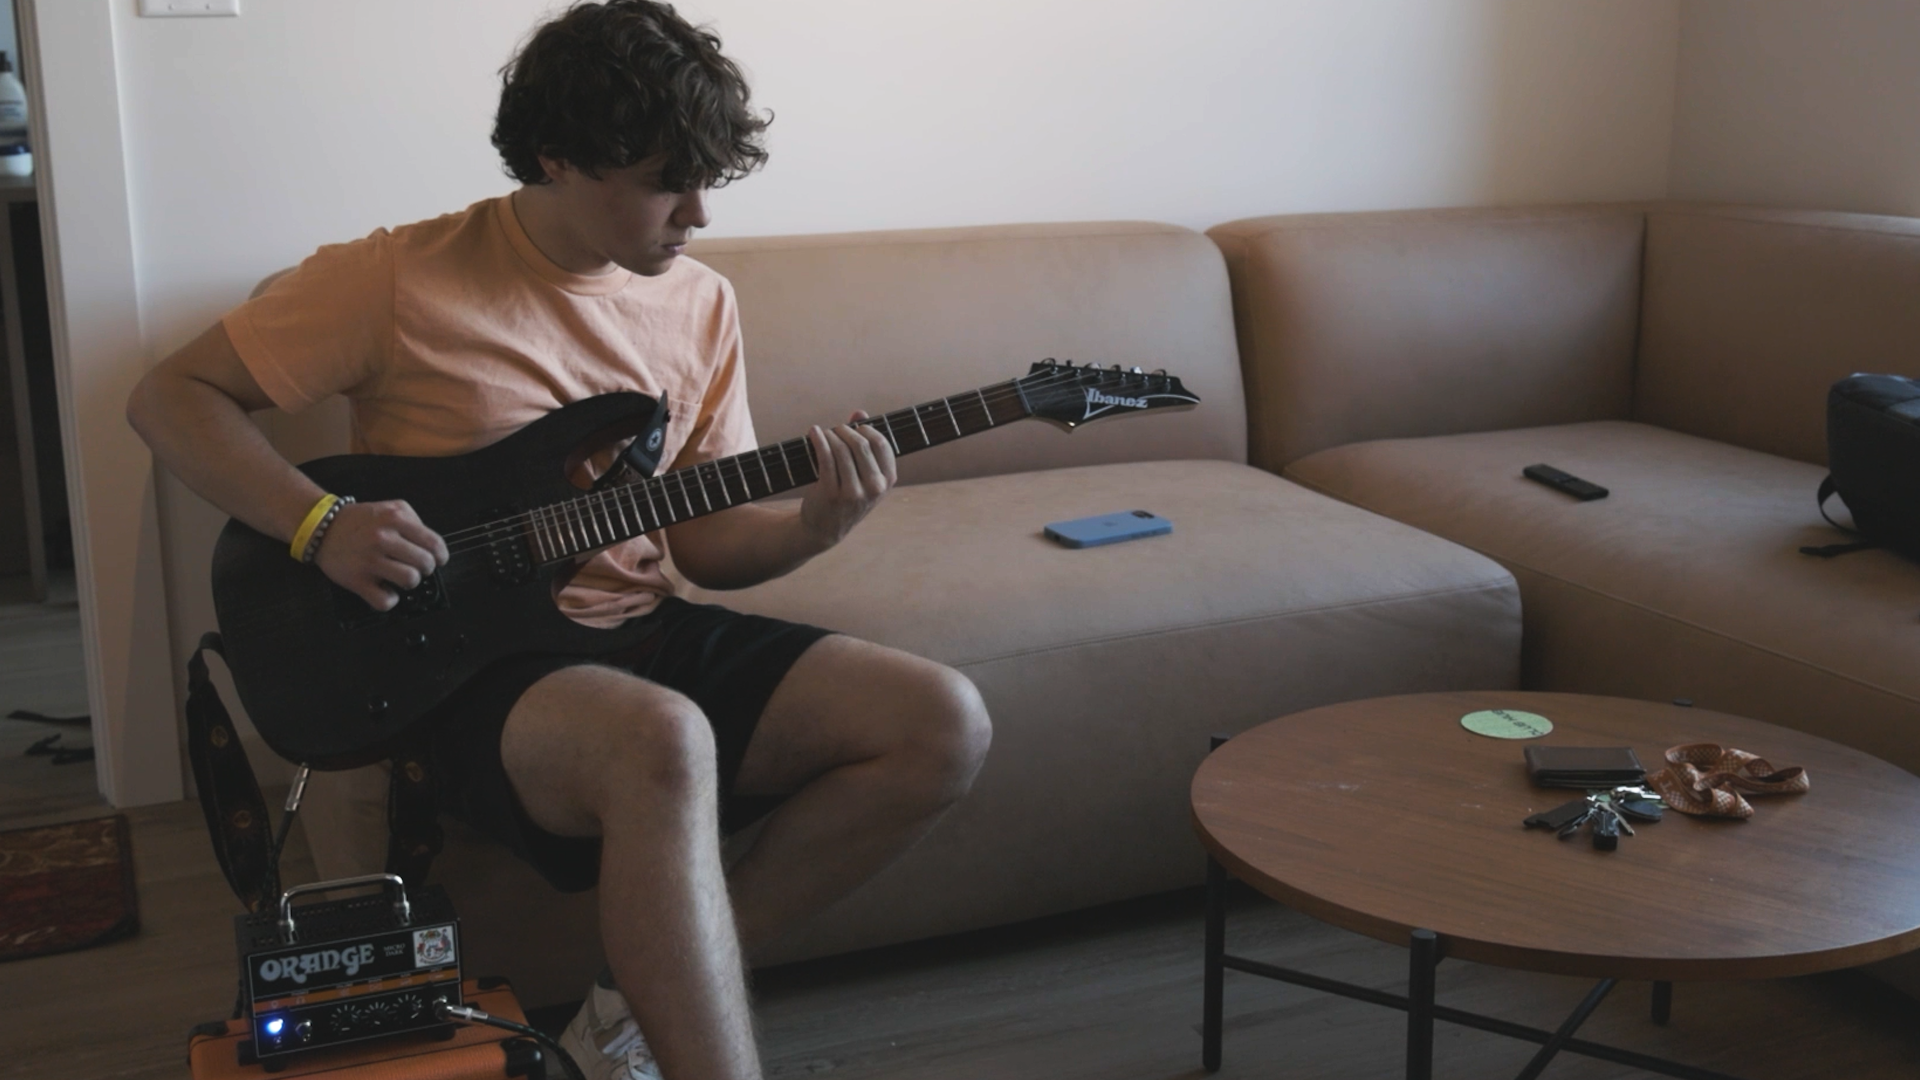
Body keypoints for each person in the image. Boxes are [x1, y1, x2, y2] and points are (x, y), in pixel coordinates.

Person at [125, 3, 993, 1078]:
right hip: (460, 662)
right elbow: (172, 398)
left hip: (635, 626)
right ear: (558, 157)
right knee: (662, 739)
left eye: (710, 176)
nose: (701, 214)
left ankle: (627, 1012)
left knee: (940, 722)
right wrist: (320, 523)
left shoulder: (701, 303)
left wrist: (815, 525)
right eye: (667, 181)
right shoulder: (397, 276)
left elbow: (709, 544)